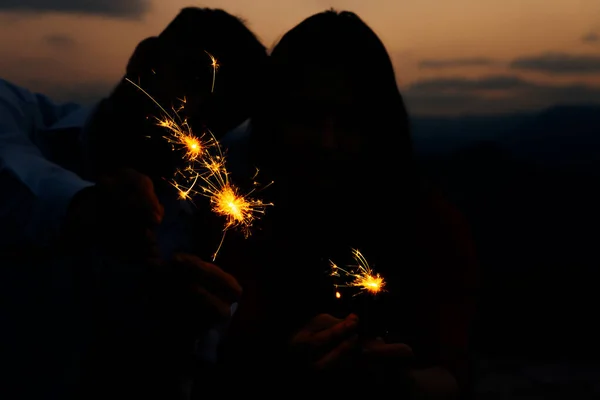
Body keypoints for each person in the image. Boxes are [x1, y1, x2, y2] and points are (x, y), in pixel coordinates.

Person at [0, 7, 266, 399]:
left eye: (218, 113)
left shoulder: (196, 241)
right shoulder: (21, 118)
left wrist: (197, 337)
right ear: (143, 60)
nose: (191, 115)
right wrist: (85, 209)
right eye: (192, 78)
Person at [216, 10, 479, 399]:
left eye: (351, 121)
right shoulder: (229, 222)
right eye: (307, 117)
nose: (328, 142)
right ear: (274, 117)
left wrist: (392, 383)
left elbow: (455, 371)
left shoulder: (430, 226)